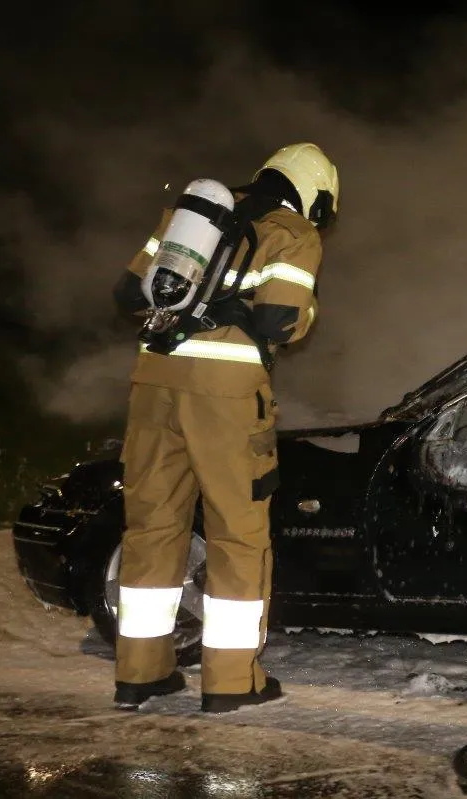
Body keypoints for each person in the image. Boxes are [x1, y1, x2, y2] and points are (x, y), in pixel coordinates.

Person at [109, 142, 338, 712]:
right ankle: (233, 680)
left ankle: (141, 673)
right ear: (315, 195)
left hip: (154, 385)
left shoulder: (196, 215)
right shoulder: (294, 232)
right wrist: (307, 307)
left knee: (152, 527)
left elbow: (126, 294)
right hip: (226, 399)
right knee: (238, 534)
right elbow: (281, 322)